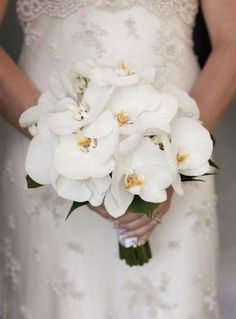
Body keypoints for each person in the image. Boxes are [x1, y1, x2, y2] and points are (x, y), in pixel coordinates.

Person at [0, 1, 236, 318]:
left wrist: (172, 161)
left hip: (177, 153)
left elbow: (231, 42)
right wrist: (69, 155)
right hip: (47, 161)